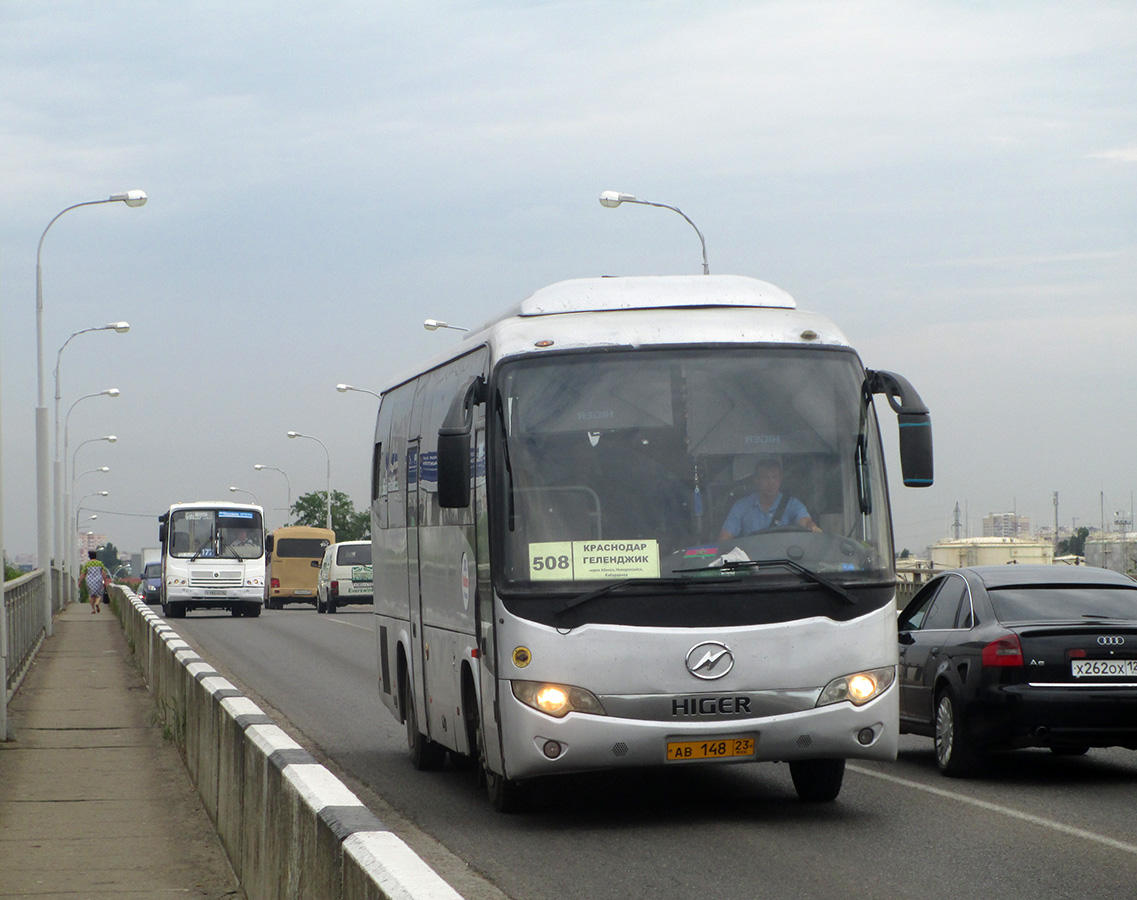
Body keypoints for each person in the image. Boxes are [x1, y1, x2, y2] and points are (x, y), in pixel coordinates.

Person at [718, 456, 820, 541]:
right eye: (766, 477)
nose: (771, 482)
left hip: (785, 561)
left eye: (775, 477)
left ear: (780, 479)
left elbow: (805, 521)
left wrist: (812, 528)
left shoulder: (793, 504)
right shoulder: (741, 507)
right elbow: (725, 539)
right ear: (756, 480)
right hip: (751, 561)